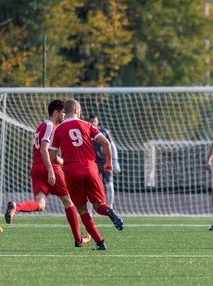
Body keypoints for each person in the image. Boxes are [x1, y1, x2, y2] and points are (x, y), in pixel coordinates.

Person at [4, 100, 91, 247]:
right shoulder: (51, 126)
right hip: (49, 167)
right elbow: (44, 149)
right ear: (55, 113)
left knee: (41, 204)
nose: (64, 115)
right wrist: (50, 169)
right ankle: (78, 239)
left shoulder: (40, 127)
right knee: (68, 202)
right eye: (63, 112)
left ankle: (16, 207)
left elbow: (37, 150)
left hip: (37, 168)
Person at [49, 99, 124, 251]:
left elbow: (52, 157)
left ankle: (100, 243)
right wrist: (108, 162)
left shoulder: (58, 129)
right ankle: (108, 211)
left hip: (72, 172)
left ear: (66, 111)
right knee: (99, 205)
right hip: (91, 169)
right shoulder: (88, 125)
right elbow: (106, 143)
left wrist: (64, 161)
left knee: (83, 210)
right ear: (76, 110)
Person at [88, 114, 120, 207]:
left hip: (105, 162)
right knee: (91, 187)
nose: (93, 123)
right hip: (93, 163)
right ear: (89, 122)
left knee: (110, 186)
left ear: (98, 122)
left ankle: (110, 208)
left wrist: (115, 161)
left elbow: (112, 146)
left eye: (95, 121)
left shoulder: (104, 132)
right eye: (91, 121)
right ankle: (89, 211)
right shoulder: (86, 132)